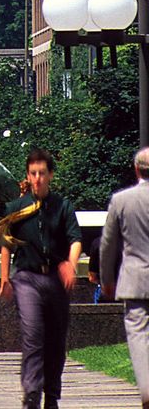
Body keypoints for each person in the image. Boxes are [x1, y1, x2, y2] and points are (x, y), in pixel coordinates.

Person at [0, 147, 81, 409]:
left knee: (56, 340)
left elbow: (75, 239)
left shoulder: (62, 206)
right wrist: (4, 278)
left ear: (50, 175)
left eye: (42, 173)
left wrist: (71, 264)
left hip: (55, 281)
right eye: (33, 173)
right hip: (27, 279)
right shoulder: (17, 207)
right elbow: (6, 242)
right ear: (28, 175)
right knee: (33, 335)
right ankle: (32, 392)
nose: (37, 179)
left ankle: (52, 396)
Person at [100, 146, 149, 409]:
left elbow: (107, 244)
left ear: (136, 169)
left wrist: (106, 278)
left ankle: (147, 391)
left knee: (140, 339)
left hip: (134, 282)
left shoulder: (121, 200)